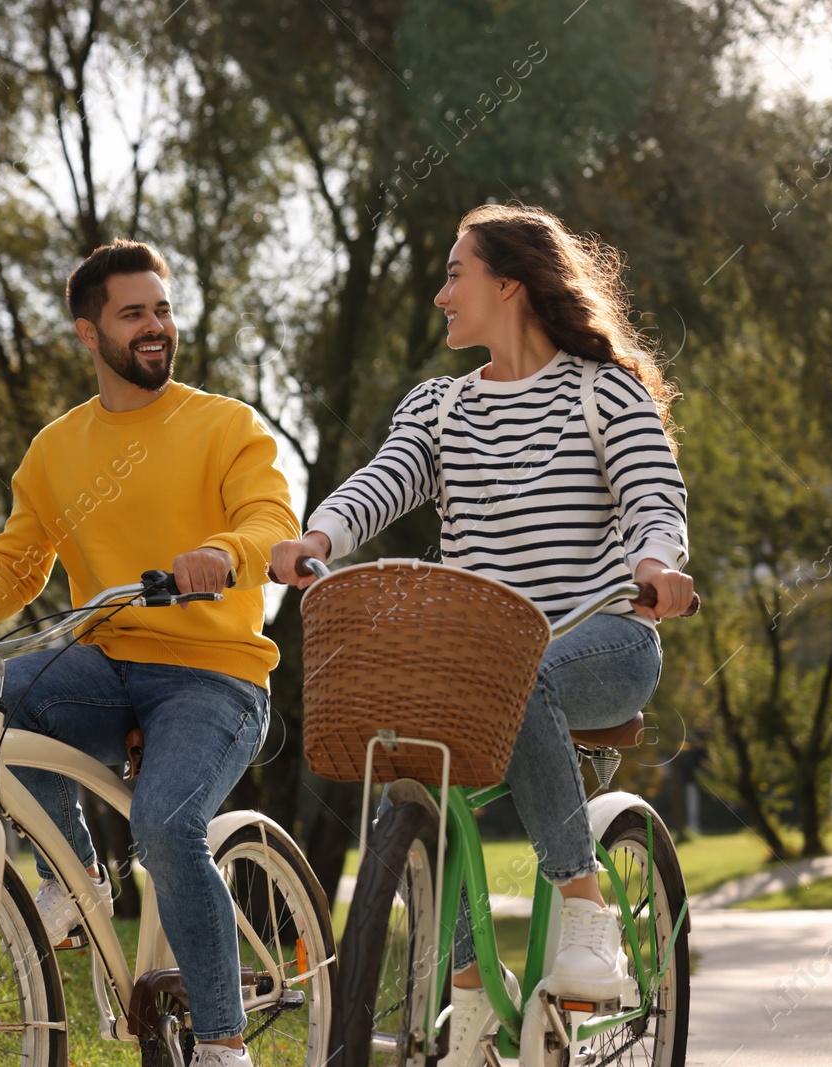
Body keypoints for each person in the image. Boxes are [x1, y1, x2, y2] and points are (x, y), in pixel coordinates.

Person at [270, 204, 694, 1067]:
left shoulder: (599, 390)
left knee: (524, 676)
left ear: (511, 283)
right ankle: (468, 1008)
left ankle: (585, 904)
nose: (439, 294)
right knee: (423, 775)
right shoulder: (442, 406)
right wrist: (320, 536)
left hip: (604, 638)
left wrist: (659, 562)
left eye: (455, 273)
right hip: (480, 661)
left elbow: (656, 496)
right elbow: (386, 480)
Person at [0, 239, 300, 1066]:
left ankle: (224, 1043)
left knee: (165, 820)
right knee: (0, 689)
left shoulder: (225, 424)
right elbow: (18, 560)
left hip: (214, 677)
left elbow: (272, 522)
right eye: (134, 314)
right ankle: (71, 880)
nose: (156, 327)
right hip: (109, 666)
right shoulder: (58, 448)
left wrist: (224, 552)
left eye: (162, 309)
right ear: (89, 333)